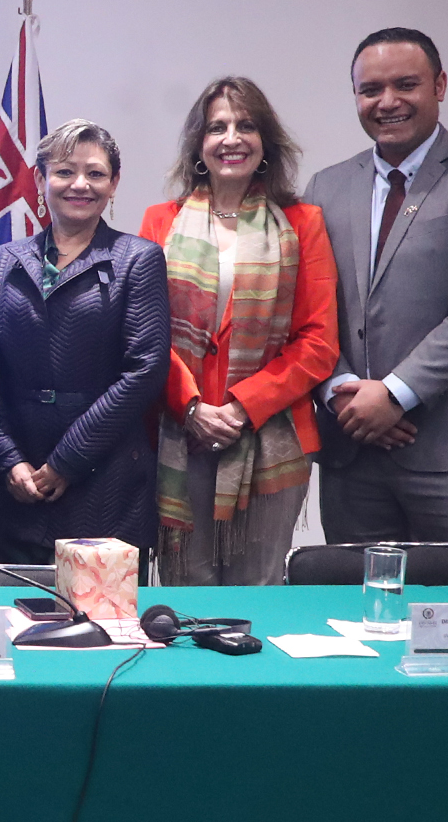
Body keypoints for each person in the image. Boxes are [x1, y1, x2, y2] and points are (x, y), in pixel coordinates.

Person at [302, 28, 448, 582]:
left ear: (440, 85)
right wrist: (343, 392)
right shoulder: (326, 187)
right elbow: (308, 309)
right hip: (353, 454)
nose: (387, 102)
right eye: (371, 90)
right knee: (359, 616)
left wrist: (393, 394)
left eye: (405, 85)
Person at [138, 78, 339, 586]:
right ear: (199, 144)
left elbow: (318, 342)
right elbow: (145, 334)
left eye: (245, 126)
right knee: (188, 591)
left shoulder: (303, 222)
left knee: (260, 590)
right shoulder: (161, 222)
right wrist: (191, 407)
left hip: (271, 437)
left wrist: (243, 407)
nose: (232, 138)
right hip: (180, 433)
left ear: (265, 141)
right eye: (217, 127)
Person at [0, 119, 170, 566]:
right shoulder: (3, 261)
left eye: (95, 173)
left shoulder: (138, 259)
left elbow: (145, 370)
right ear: (40, 179)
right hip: (19, 487)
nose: (80, 185)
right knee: (16, 610)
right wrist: (8, 459)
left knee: (104, 613)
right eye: (65, 171)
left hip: (106, 485)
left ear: (114, 184)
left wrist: (65, 462)